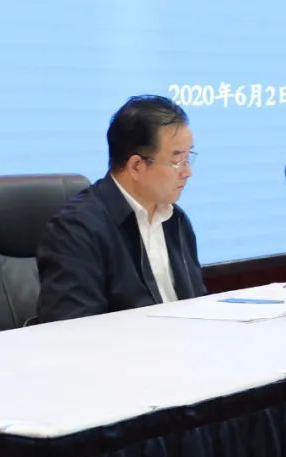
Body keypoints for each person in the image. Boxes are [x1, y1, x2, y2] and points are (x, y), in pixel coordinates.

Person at [37, 95, 206, 322]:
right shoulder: (76, 229)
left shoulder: (175, 220)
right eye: (177, 161)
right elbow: (73, 328)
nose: (187, 172)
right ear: (136, 166)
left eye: (188, 157)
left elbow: (196, 304)